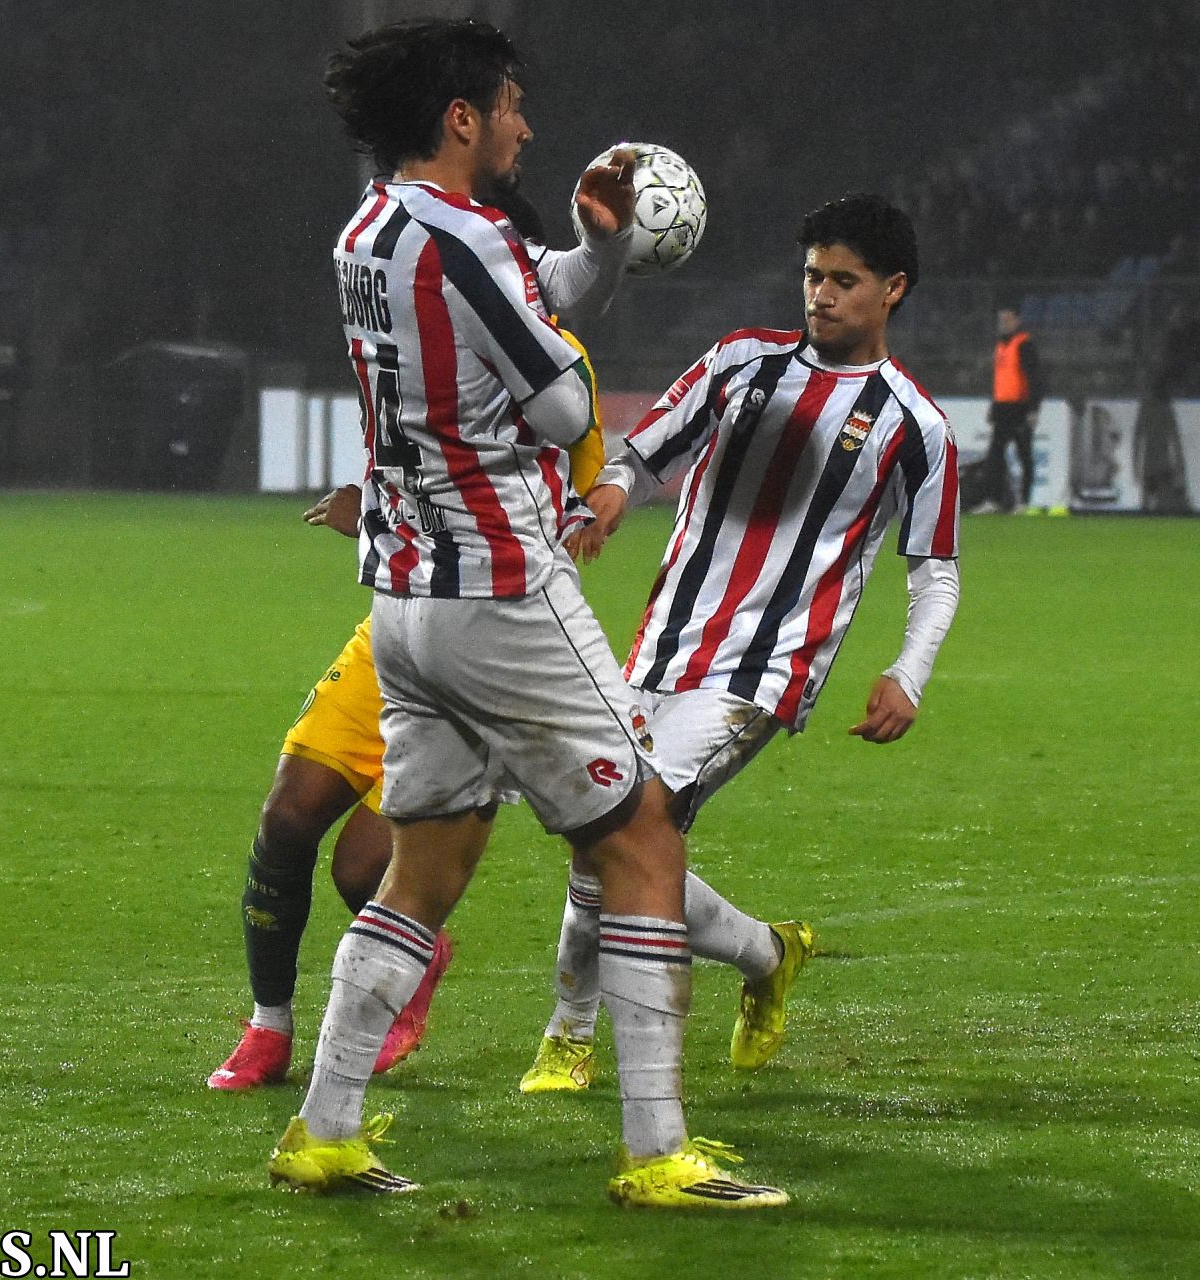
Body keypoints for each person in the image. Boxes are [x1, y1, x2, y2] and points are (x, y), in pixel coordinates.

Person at [265, 17, 787, 1209]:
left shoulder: (371, 231)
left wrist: (600, 253)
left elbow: (522, 296)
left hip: (406, 597)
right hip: (503, 590)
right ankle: (658, 1150)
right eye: (509, 106)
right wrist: (547, 375)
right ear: (461, 118)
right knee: (641, 836)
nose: (527, 127)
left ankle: (324, 1127)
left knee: (426, 865)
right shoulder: (463, 237)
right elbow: (559, 404)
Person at [520, 193, 962, 1092]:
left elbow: (936, 572)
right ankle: (767, 954)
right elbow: (642, 454)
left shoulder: (915, 425)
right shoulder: (739, 363)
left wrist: (907, 672)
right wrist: (610, 498)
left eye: (844, 281)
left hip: (765, 669)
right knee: (607, 835)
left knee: (622, 827)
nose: (821, 295)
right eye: (812, 275)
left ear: (892, 290)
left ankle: (568, 1037)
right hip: (661, 646)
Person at [208, 185, 623, 1091]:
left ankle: (417, 988)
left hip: (490, 637)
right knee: (286, 816)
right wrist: (369, 512)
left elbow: (569, 491)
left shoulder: (556, 364)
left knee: (367, 871)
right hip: (397, 617)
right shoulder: (407, 331)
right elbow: (409, 465)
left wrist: (596, 504)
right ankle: (268, 1027)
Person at [978, 306, 1044, 513]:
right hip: (1003, 408)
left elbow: (1035, 378)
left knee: (1024, 454)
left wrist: (1033, 409)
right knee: (995, 455)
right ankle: (993, 499)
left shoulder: (1024, 344)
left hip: (1020, 407)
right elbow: (1001, 380)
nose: (1003, 324)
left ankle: (1023, 501)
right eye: (1001, 320)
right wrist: (994, 406)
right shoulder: (1001, 346)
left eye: (1007, 320)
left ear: (1017, 321)